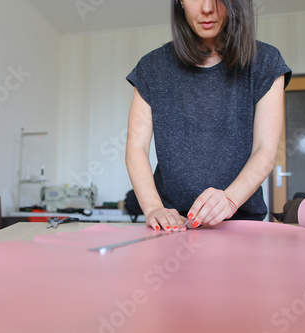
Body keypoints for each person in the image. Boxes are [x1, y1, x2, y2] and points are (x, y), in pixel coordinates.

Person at [125, 0, 292, 232]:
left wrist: (230, 199)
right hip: (171, 224)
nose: (206, 8)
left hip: (241, 223)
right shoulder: (151, 67)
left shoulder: (266, 61)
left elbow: (265, 148)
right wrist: (154, 208)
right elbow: (136, 148)